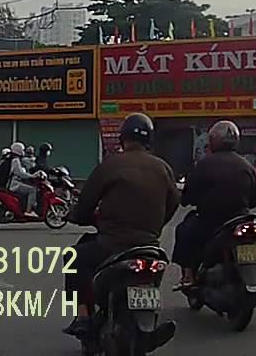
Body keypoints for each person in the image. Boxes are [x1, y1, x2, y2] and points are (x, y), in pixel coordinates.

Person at [63, 113, 179, 338]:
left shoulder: (111, 165)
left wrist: (81, 217)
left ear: (122, 138)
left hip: (112, 244)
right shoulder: (163, 167)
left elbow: (85, 205)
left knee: (73, 257)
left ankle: (83, 316)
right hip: (150, 246)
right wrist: (154, 226)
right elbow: (173, 203)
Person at [172, 120, 256, 287]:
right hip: (241, 220)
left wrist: (191, 198)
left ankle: (188, 275)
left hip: (211, 222)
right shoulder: (246, 165)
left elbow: (187, 197)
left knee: (184, 230)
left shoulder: (204, 165)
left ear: (213, 140)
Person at [7, 142, 38, 217]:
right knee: (32, 190)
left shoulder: (11, 158)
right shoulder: (15, 160)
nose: (23, 151)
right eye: (22, 150)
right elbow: (20, 173)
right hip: (14, 184)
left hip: (12, 182)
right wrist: (31, 176)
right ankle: (29, 211)